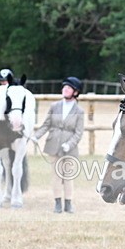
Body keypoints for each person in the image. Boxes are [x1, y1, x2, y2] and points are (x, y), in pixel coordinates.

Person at [32, 76, 85, 213]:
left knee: (68, 177)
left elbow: (78, 133)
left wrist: (69, 144)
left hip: (69, 149)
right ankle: (57, 203)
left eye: (68, 88)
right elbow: (46, 125)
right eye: (64, 87)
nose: (65, 89)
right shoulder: (54, 106)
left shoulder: (79, 111)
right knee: (56, 176)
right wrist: (36, 136)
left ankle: (68, 203)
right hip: (53, 145)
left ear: (75, 92)